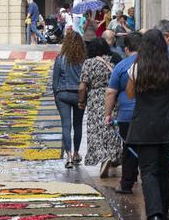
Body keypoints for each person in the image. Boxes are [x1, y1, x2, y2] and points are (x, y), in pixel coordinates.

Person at [126, 29, 169, 220]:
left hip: (144, 128)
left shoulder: (137, 69)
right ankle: (163, 216)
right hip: (167, 126)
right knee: (166, 172)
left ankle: (154, 216)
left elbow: (130, 95)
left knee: (148, 172)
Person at [79, 38, 124, 177]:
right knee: (111, 127)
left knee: (97, 129)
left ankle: (103, 156)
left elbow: (82, 86)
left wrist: (81, 101)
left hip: (95, 99)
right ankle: (112, 155)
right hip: (112, 97)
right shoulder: (113, 61)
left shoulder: (88, 63)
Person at [105, 33, 141, 194]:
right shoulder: (153, 63)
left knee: (129, 148)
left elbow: (111, 93)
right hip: (150, 114)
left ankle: (127, 182)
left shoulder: (121, 66)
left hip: (126, 115)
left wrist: (108, 114)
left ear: (126, 49)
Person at [51, 31, 87, 168]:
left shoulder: (60, 58)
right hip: (79, 94)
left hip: (63, 94)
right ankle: (77, 153)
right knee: (78, 125)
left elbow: (55, 82)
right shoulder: (83, 59)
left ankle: (69, 156)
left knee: (66, 126)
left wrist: (56, 96)